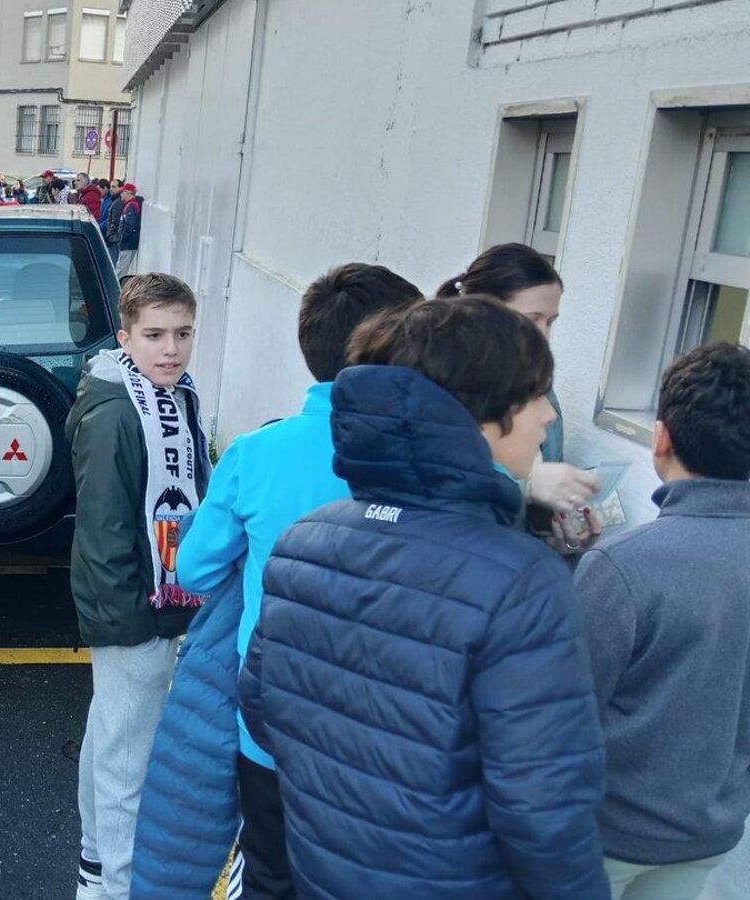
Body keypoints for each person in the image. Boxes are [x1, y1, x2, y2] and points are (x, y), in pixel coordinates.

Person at [239, 297, 607, 899]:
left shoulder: (303, 541)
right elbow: (545, 808)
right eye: (536, 394)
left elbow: (263, 710)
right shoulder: (520, 580)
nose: (546, 416)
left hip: (324, 871)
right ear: (482, 418)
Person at [131, 264, 425, 899]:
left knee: (270, 870)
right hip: (390, 729)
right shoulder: (431, 458)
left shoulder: (259, 454)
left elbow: (199, 566)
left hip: (271, 718)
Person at [574, 342, 750, 898]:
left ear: (662, 437)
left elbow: (564, 711)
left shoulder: (623, 565)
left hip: (604, 834)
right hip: (710, 832)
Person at [65, 273, 208, 900]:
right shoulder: (119, 412)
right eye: (153, 335)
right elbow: (103, 534)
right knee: (129, 763)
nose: (170, 349)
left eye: (182, 333)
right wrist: (136, 620)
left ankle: (97, 871)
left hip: (152, 604)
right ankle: (119, 884)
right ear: (125, 338)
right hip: (133, 611)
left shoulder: (171, 395)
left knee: (110, 739)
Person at [438, 243, 601, 553]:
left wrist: (557, 538)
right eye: (531, 318)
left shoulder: (544, 392)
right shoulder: (437, 384)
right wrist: (529, 484)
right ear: (482, 310)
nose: (543, 334)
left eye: (551, 321)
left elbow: (535, 517)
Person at [114, 185, 142, 276]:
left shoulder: (131, 206)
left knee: (120, 271)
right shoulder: (130, 205)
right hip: (127, 243)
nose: (121, 195)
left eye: (122, 192)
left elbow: (129, 225)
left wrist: (122, 238)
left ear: (128, 193)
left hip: (127, 243)